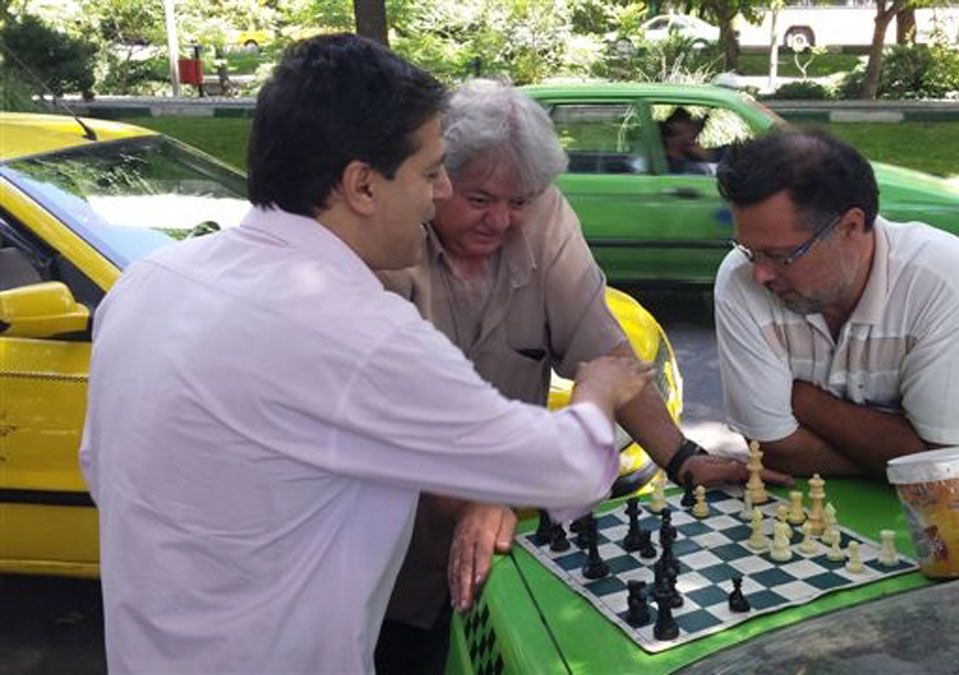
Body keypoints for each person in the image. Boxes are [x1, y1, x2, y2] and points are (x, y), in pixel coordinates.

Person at [79, 34, 652, 674]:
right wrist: (598, 390)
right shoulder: (354, 331)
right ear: (361, 185)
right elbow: (563, 469)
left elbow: (103, 469)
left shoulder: (149, 282)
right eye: (431, 173)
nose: (440, 196)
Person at [375, 80, 788, 673]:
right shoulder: (390, 242)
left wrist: (681, 458)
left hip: (500, 538)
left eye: (519, 201)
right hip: (389, 548)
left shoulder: (542, 216)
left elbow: (607, 356)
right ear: (437, 179)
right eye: (481, 199)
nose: (502, 220)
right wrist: (471, 497)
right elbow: (396, 424)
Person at [713, 129, 959, 477]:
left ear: (850, 226)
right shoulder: (739, 277)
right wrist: (913, 455)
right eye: (750, 251)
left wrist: (804, 401)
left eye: (779, 255)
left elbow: (949, 469)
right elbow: (775, 449)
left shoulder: (949, 280)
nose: (760, 274)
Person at [660, 107, 712, 174]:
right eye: (689, 132)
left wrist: (704, 157)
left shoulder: (691, 155)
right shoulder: (667, 164)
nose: (691, 138)